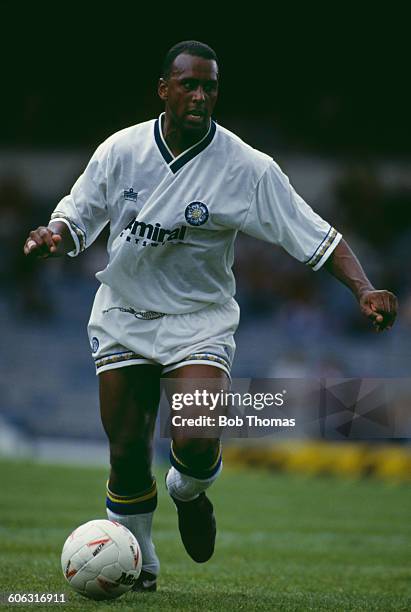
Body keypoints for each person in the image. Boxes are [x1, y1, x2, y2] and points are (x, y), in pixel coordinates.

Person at [23, 40, 398, 592]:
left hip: (199, 320)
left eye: (210, 86)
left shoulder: (247, 167)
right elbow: (76, 218)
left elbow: (317, 234)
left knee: (195, 438)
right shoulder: (121, 151)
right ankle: (141, 560)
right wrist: (53, 237)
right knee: (126, 452)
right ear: (164, 90)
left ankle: (188, 491)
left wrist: (364, 289)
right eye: (189, 85)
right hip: (124, 313)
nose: (200, 95)